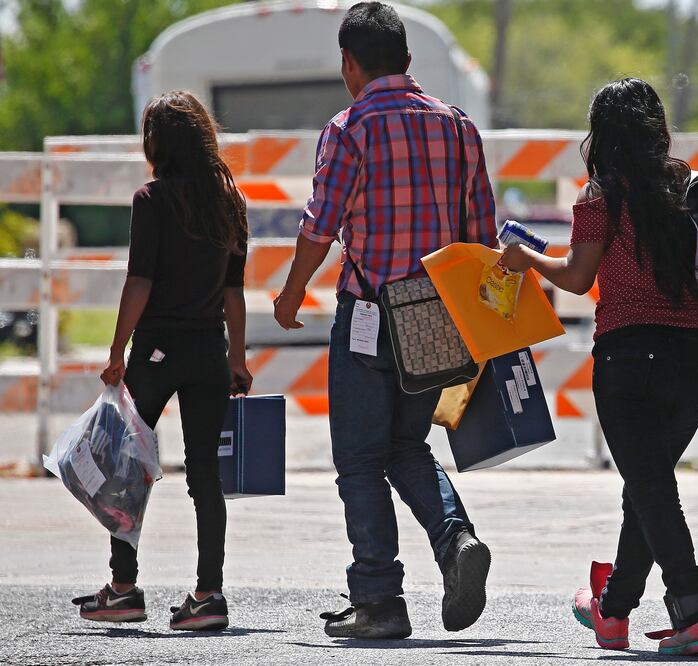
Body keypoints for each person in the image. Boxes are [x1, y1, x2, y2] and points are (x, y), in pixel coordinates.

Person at [501, 77, 698, 656]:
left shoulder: (600, 195)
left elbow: (579, 279)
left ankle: (695, 607)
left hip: (627, 359)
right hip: (689, 363)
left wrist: (524, 258)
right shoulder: (695, 191)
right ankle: (614, 611)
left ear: (601, 135)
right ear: (658, 129)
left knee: (650, 484)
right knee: (646, 485)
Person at [273, 2, 496, 639]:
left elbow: (320, 226)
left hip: (371, 313)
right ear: (407, 59)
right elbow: (480, 236)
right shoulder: (458, 129)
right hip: (439, 317)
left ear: (349, 62)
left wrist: (291, 294)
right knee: (404, 443)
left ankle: (377, 598)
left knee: (361, 459)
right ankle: (456, 541)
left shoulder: (349, 129)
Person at [76, 91, 252, 632]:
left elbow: (140, 282)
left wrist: (115, 353)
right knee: (205, 475)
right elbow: (233, 293)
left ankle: (124, 589)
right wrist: (237, 359)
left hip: (154, 351)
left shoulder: (151, 200)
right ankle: (209, 594)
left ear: (159, 142)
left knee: (126, 463)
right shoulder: (230, 201)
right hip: (207, 352)